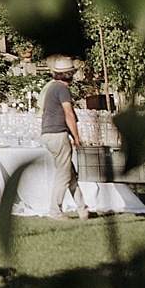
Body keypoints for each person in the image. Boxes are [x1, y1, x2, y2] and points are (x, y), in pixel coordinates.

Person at [38, 55, 90, 220]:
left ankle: (83, 209)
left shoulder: (52, 87)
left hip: (49, 134)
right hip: (57, 134)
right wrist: (76, 136)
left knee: (70, 172)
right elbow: (69, 113)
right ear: (70, 74)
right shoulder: (62, 89)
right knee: (64, 173)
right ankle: (55, 210)